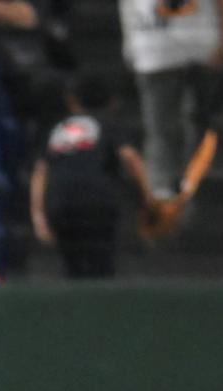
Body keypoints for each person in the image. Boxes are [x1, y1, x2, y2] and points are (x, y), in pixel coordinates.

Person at [31, 74, 158, 278]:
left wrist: (38, 215)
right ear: (111, 102)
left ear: (71, 100)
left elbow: (40, 170)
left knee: (73, 267)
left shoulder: (57, 129)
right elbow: (130, 156)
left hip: (60, 202)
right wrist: (147, 197)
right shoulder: (109, 125)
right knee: (101, 265)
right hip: (98, 202)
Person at [120, 0, 223, 204]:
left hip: (195, 42)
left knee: (193, 122)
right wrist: (130, 41)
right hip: (158, 43)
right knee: (162, 127)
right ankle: (162, 193)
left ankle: (183, 186)